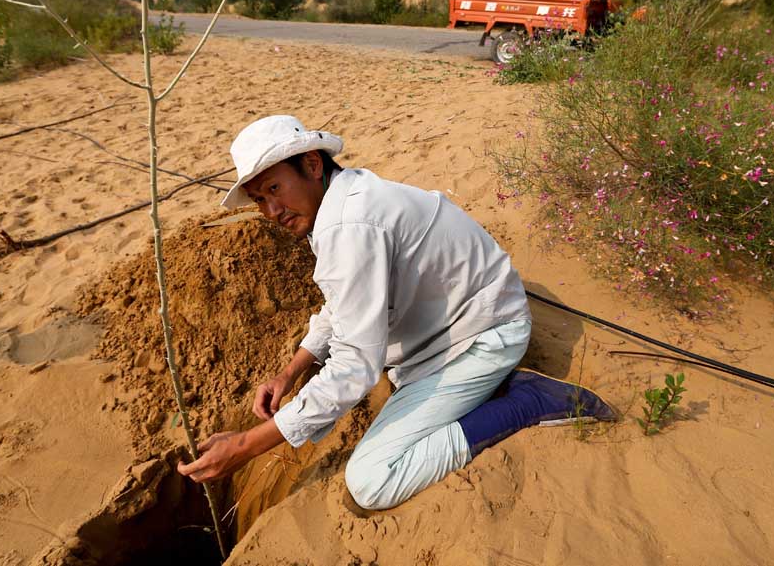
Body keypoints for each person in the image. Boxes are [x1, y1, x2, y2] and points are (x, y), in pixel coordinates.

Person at [178, 115, 615, 509]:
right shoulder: (339, 201)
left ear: (312, 164)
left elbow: (355, 368)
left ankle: (527, 401)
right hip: (456, 328)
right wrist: (292, 370)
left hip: (483, 335)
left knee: (372, 482)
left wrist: (247, 446)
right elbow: (344, 302)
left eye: (275, 188)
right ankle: (490, 390)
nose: (271, 211)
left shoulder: (348, 224)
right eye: (258, 199)